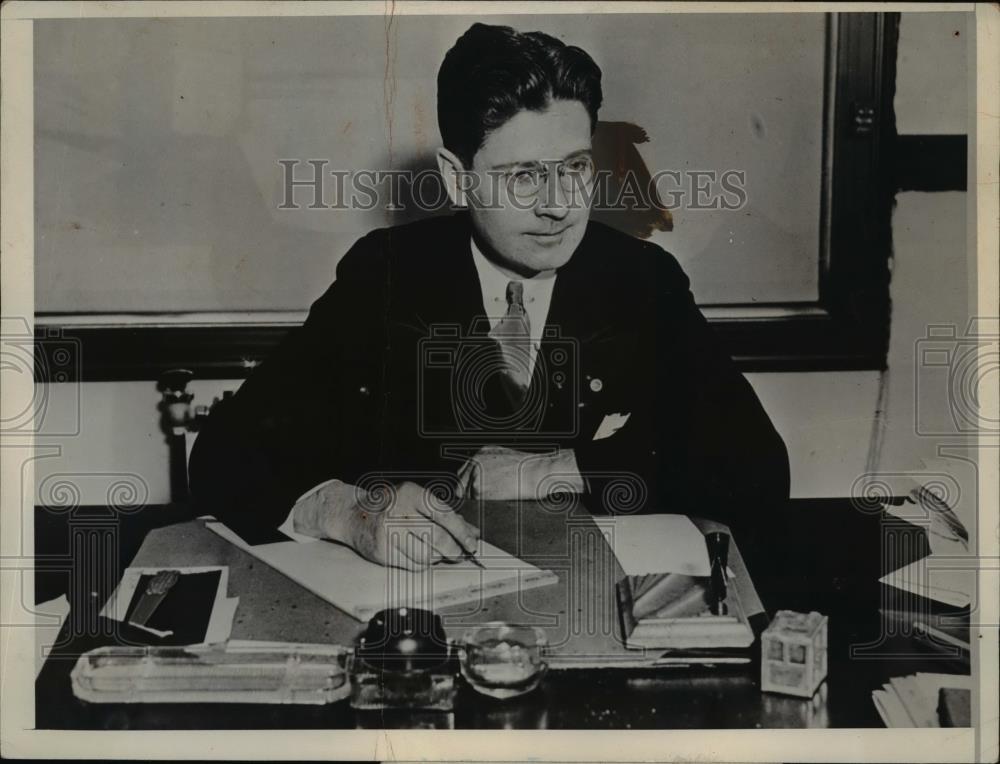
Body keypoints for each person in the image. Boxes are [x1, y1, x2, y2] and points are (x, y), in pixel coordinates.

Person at [189, 23, 790, 579]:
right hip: (426, 620)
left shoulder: (641, 278)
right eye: (523, 176)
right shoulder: (386, 275)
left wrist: (559, 468)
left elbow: (758, 465)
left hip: (595, 604)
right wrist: (348, 512)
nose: (558, 204)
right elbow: (224, 456)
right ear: (457, 178)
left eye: (575, 168)